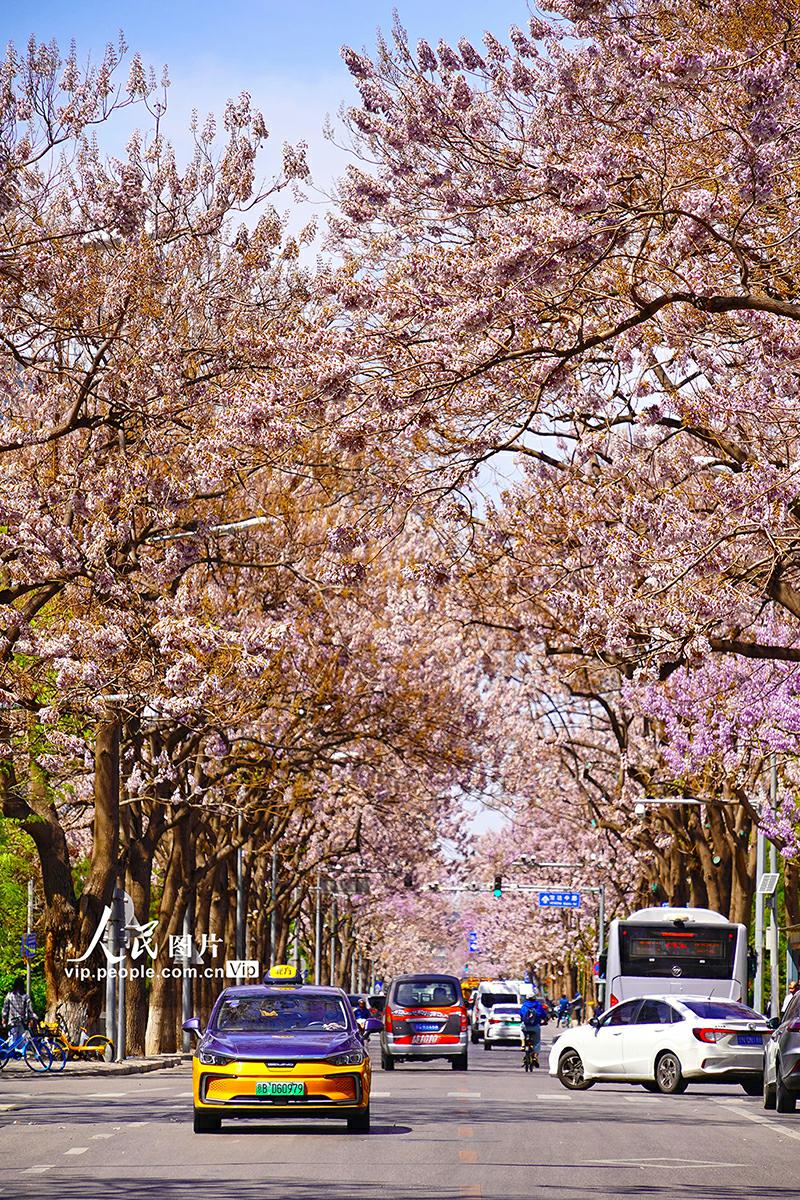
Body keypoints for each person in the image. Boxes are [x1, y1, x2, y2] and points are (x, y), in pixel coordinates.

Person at [2, 978, 35, 1043]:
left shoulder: (10, 995)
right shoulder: (25, 996)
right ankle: (18, 1053)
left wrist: (4, 1019)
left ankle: (11, 1052)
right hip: (22, 1022)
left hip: (12, 1021)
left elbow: (5, 1008)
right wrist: (31, 1019)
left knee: (12, 1041)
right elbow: (29, 1009)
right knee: (21, 1041)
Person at [519, 993, 547, 1067]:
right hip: (535, 1026)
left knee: (521, 1030)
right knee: (537, 1041)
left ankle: (523, 1044)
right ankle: (535, 1057)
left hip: (525, 1026)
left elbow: (521, 1015)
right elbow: (543, 1015)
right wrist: (544, 1020)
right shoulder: (538, 1005)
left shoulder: (524, 1006)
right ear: (535, 998)